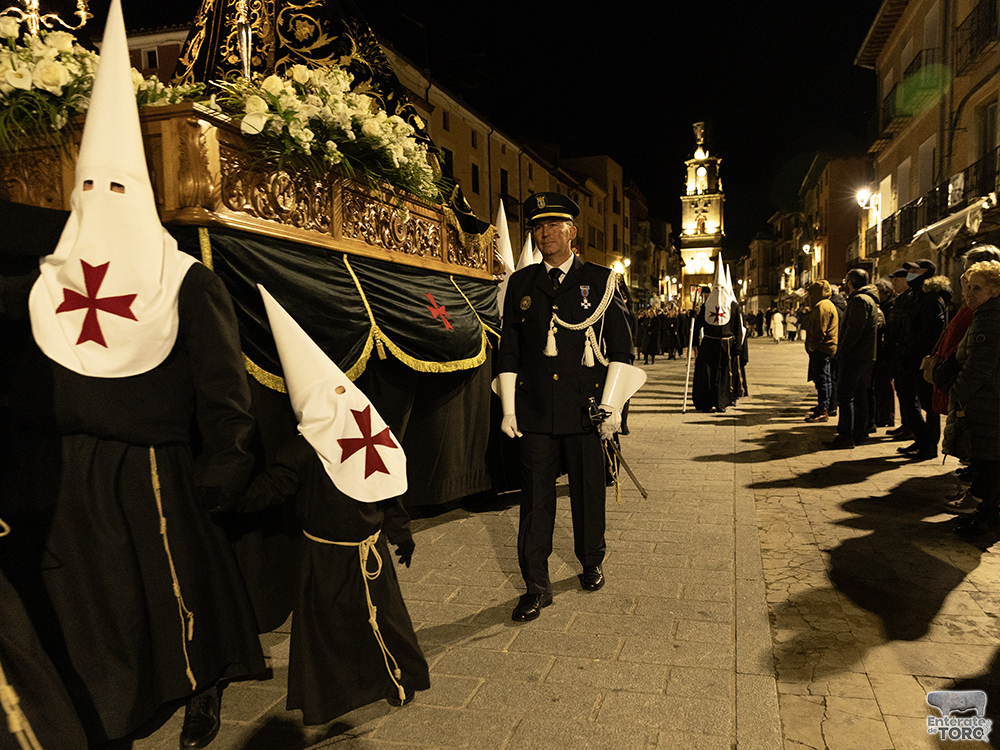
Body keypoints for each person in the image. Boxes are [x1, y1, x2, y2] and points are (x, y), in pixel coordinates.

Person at [2, 3, 266, 746]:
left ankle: (202, 685)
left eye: (116, 189)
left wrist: (225, 467)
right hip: (62, 468)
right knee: (89, 607)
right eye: (89, 189)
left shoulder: (183, 281)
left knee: (173, 592)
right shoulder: (43, 282)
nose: (100, 203)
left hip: (152, 471)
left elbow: (224, 392)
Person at [233, 287, 429, 722]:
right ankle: (339, 695)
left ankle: (397, 676)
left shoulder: (362, 431)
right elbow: (272, 488)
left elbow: (384, 489)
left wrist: (399, 531)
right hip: (323, 557)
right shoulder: (303, 452)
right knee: (331, 631)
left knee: (382, 621)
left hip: (367, 552)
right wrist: (232, 499)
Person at [496, 192, 634, 623]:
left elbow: (623, 351)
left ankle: (591, 559)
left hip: (584, 411)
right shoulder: (521, 283)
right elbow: (510, 352)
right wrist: (507, 407)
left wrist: (613, 408)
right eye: (538, 227)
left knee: (588, 492)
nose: (544, 233)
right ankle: (536, 585)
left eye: (554, 226)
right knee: (535, 501)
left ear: (572, 232)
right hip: (535, 411)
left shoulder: (602, 279)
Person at [939, 261, 1000, 535]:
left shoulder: (991, 319)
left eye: (977, 288)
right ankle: (984, 515)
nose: (969, 294)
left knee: (990, 465)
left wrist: (956, 391)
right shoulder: (984, 315)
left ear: (995, 291)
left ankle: (987, 520)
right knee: (988, 464)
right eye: (968, 288)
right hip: (986, 403)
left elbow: (979, 368)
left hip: (987, 404)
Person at [895, 259, 951, 461]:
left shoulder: (932, 298)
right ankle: (921, 439)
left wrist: (914, 348)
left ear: (926, 273)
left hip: (920, 359)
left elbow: (932, 331)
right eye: (909, 270)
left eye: (915, 270)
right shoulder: (917, 295)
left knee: (929, 405)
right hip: (909, 358)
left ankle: (929, 445)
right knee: (908, 400)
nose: (910, 273)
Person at [823, 268, 879, 449]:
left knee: (845, 395)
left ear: (850, 282)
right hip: (864, 355)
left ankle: (846, 435)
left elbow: (854, 329)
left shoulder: (859, 300)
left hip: (855, 355)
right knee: (860, 393)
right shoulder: (867, 299)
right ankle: (860, 433)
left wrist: (842, 351)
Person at [804, 280, 838, 423]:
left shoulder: (822, 306)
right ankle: (822, 406)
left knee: (823, 379)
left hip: (822, 349)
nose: (810, 296)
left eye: (812, 293)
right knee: (823, 378)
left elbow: (819, 331)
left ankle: (824, 409)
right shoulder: (825, 304)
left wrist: (812, 346)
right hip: (825, 348)